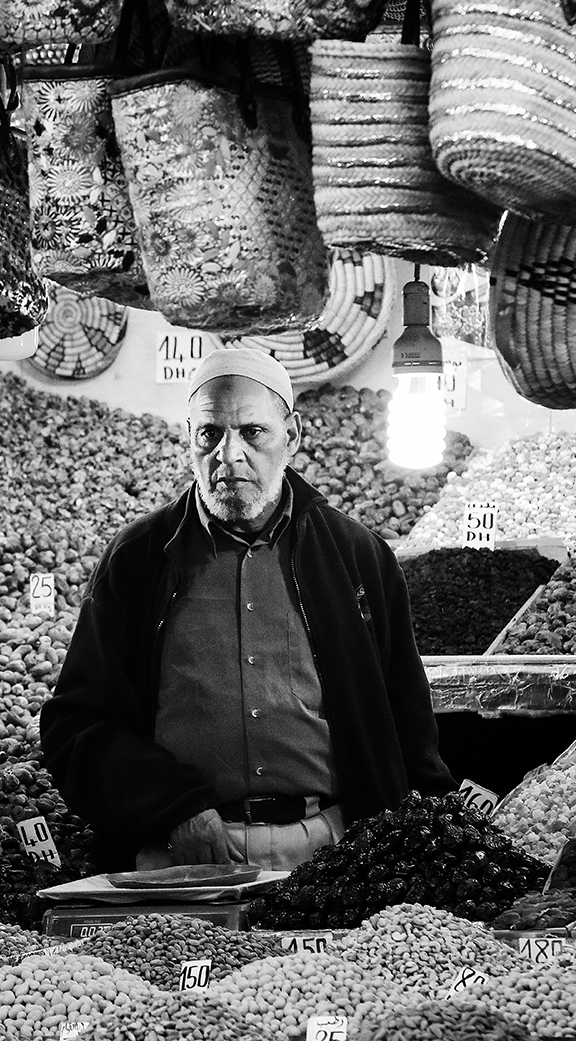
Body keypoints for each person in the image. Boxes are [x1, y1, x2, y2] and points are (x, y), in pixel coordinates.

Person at [41, 349, 455, 872]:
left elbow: (408, 720)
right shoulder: (139, 559)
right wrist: (172, 806)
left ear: (293, 435)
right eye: (210, 434)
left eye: (254, 433)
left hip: (333, 854)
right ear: (188, 436)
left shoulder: (357, 555)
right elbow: (75, 725)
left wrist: (436, 840)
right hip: (181, 856)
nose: (229, 454)